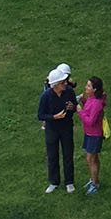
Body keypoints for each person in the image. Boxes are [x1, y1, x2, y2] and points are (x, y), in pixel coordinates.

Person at [37, 63, 77, 193]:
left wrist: (72, 108)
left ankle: (69, 182)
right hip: (52, 130)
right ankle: (54, 182)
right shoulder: (46, 96)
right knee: (52, 155)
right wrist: (54, 117)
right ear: (55, 85)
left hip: (66, 127)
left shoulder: (69, 92)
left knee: (68, 154)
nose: (65, 84)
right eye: (62, 82)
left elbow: (74, 107)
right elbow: (40, 115)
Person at [78, 75, 107, 194]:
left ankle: (95, 184)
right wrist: (83, 101)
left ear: (95, 89)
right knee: (93, 158)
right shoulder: (91, 98)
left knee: (91, 158)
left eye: (89, 86)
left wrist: (79, 111)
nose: (86, 87)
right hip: (89, 133)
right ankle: (94, 179)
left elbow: (90, 121)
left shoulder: (96, 103)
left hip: (94, 135)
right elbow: (88, 109)